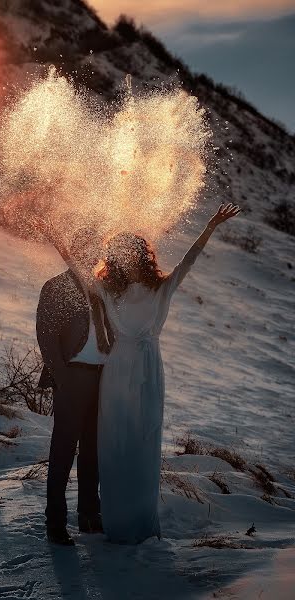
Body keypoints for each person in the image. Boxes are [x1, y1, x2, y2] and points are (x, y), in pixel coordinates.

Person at [35, 202, 241, 544]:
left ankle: (103, 516)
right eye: (117, 253)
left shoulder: (135, 289)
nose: (121, 258)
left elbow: (188, 261)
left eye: (128, 252)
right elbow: (52, 319)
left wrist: (210, 227)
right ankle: (68, 520)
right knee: (84, 449)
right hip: (93, 376)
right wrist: (53, 235)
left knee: (113, 449)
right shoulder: (89, 288)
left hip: (124, 373)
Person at [36, 227, 113, 546]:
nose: (94, 255)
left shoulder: (101, 288)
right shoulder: (56, 286)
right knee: (64, 449)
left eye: (98, 250)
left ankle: (89, 516)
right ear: (77, 249)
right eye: (89, 249)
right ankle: (55, 522)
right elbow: (46, 336)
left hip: (101, 377)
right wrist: (63, 378)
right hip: (74, 376)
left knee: (93, 449)